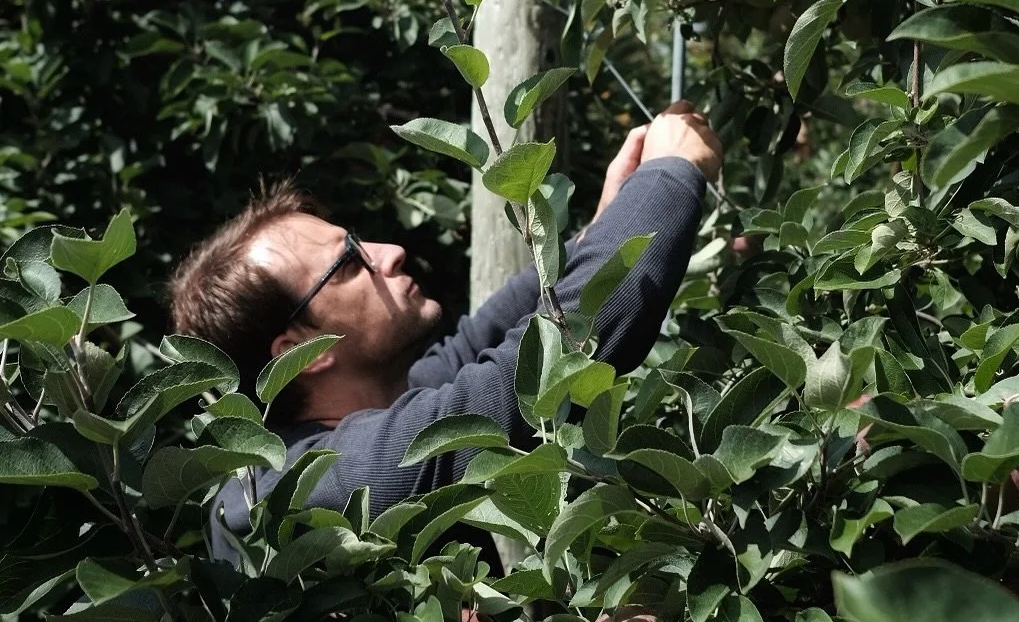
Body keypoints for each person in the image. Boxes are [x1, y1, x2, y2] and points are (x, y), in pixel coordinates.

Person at [167, 101, 724, 562]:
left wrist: (593, 235)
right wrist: (671, 174)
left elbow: (480, 340)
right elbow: (540, 370)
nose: (391, 252)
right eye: (350, 264)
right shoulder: (317, 486)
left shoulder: (365, 415)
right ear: (301, 351)